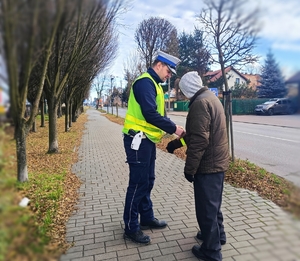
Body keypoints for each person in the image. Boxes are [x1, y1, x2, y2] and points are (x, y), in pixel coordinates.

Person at [122, 50, 185, 245]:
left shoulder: (154, 85)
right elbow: (149, 113)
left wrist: (170, 126)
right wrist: (174, 128)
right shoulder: (145, 83)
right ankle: (131, 227)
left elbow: (158, 114)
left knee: (148, 180)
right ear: (159, 65)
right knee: (138, 184)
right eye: (168, 71)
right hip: (138, 140)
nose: (169, 76)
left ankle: (146, 217)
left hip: (146, 140)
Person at [166, 71, 229, 261]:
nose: (183, 94)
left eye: (183, 91)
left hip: (208, 165)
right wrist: (176, 144)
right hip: (218, 162)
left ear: (188, 89)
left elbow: (200, 140)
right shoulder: (210, 97)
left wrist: (190, 168)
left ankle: (211, 251)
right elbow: (195, 133)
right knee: (213, 205)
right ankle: (218, 236)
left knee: (206, 208)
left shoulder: (200, 103)